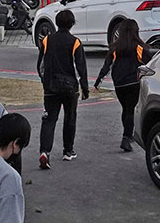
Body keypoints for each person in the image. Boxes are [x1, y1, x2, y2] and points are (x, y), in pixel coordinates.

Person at [36, 9, 89, 168]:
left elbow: (40, 65)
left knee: (49, 119)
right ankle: (68, 151)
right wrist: (85, 88)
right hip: (70, 87)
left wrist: (44, 81)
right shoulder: (75, 42)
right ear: (72, 24)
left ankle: (45, 152)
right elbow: (81, 68)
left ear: (57, 23)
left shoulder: (47, 40)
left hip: (51, 86)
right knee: (70, 118)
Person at [94, 17, 148, 152]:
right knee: (131, 109)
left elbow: (106, 66)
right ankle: (126, 137)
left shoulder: (115, 48)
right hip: (133, 82)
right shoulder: (139, 47)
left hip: (119, 83)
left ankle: (127, 134)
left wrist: (97, 82)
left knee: (125, 109)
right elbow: (150, 63)